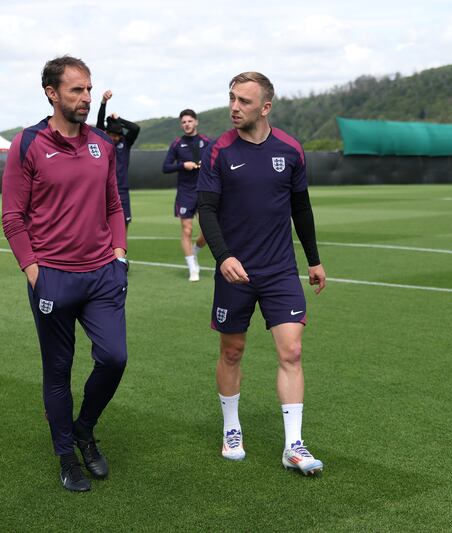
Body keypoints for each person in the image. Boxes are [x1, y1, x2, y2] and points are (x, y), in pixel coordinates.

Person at [1, 55, 128, 492]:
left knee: (114, 358)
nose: (86, 98)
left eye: (89, 89)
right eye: (76, 90)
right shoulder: (28, 144)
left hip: (102, 275)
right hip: (52, 277)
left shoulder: (102, 145)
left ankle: (85, 429)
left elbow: (114, 205)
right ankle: (65, 456)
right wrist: (34, 272)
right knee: (58, 371)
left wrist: (120, 255)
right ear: (52, 93)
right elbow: (13, 217)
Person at [197, 72, 327, 475]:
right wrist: (222, 256)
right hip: (235, 271)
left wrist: (314, 259)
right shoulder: (218, 151)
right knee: (232, 351)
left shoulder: (290, 150)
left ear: (265, 107)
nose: (234, 107)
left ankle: (294, 445)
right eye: (231, 98)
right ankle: (231, 428)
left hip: (279, 271)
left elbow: (301, 208)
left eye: (244, 101)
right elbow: (207, 209)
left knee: (292, 351)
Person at [162, 109, 210, 281]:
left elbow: (218, 163)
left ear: (196, 122)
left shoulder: (207, 142)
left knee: (208, 233)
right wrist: (183, 165)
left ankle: (194, 253)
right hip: (185, 192)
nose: (187, 124)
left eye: (190, 121)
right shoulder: (176, 144)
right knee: (187, 230)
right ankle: (193, 269)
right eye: (183, 122)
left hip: (204, 191)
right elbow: (165, 167)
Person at [96, 89, 140, 232]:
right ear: (107, 133)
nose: (115, 138)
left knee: (124, 223)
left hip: (122, 189)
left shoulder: (125, 142)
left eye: (118, 135)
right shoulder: (102, 141)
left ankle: (120, 252)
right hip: (104, 189)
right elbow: (99, 124)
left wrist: (119, 119)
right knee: (104, 224)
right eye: (112, 134)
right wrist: (103, 102)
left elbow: (135, 128)